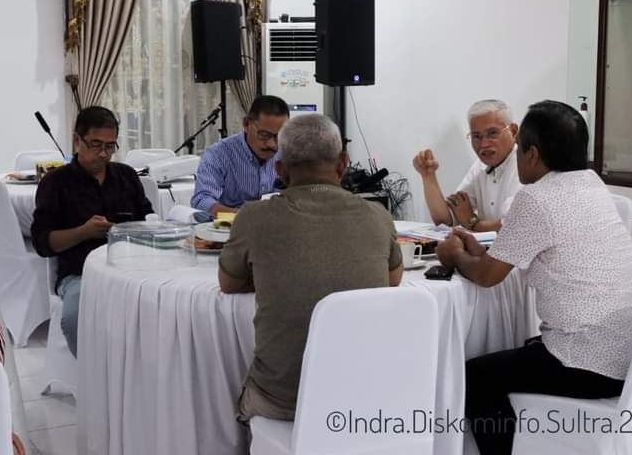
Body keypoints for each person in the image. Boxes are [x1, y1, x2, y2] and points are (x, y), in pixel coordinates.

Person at [436, 100, 632, 454]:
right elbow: (507, 259)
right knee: (522, 352)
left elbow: (488, 277)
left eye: (519, 149)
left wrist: (454, 255)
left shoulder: (535, 198)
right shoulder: (591, 184)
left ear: (532, 155)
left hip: (587, 364)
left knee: (475, 377)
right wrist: (475, 250)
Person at [218, 113, 403, 421]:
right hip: (365, 396)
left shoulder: (253, 217)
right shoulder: (377, 215)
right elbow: (392, 279)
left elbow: (228, 283)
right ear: (342, 164)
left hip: (283, 401)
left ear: (279, 170)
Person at [31, 106, 153, 357]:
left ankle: (142, 375)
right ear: (77, 140)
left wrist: (123, 230)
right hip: (79, 274)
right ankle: (94, 379)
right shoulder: (55, 183)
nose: (103, 154)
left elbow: (147, 222)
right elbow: (43, 244)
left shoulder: (126, 176)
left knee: (167, 307)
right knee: (75, 318)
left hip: (132, 268)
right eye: (96, 144)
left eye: (110, 146)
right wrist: (84, 232)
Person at [413, 99, 522, 232]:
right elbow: (446, 220)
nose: (484, 144)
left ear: (513, 131)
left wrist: (473, 222)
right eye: (476, 136)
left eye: (492, 133)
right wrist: (428, 176)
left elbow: (514, 227)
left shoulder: (526, 167)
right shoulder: (479, 167)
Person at [191, 95, 290, 216]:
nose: (272, 144)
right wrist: (246, 217)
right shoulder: (218, 154)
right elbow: (202, 200)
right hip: (230, 228)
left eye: (279, 136)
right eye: (264, 135)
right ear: (246, 125)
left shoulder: (287, 153)